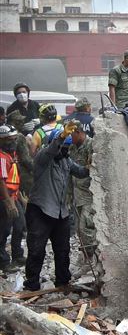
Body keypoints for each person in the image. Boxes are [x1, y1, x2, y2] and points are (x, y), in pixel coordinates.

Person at [23, 122, 88, 291]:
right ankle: (32, 284)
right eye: (62, 148)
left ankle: (62, 282)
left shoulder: (66, 161)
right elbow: (52, 149)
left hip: (60, 212)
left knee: (63, 250)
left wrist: (92, 164)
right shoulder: (43, 158)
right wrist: (61, 137)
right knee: (36, 250)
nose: (64, 152)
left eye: (67, 148)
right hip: (40, 210)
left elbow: (81, 172)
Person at [67, 112, 96, 254]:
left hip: (88, 194)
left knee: (87, 228)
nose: (68, 138)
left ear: (78, 132)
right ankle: (86, 258)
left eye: (70, 134)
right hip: (76, 195)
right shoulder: (72, 148)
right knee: (79, 229)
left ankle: (93, 259)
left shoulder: (91, 145)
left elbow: (92, 169)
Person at [0, 125, 25, 271]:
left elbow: (15, 177)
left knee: (20, 225)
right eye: (10, 139)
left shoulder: (11, 154)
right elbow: (1, 182)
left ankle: (17, 255)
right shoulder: (2, 157)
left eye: (14, 139)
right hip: (4, 199)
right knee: (3, 231)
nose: (13, 142)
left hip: (14, 197)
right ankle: (3, 262)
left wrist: (20, 197)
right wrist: (9, 203)